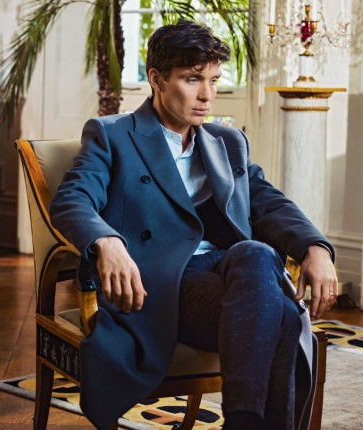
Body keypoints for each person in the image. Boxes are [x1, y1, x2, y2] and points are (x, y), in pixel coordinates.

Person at [49, 19, 338, 430]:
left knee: (256, 253)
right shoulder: (113, 135)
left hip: (232, 273)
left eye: (214, 80)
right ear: (157, 79)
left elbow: (269, 202)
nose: (207, 95)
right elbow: (72, 199)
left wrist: (315, 247)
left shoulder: (227, 142)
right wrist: (107, 242)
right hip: (160, 284)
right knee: (286, 317)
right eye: (192, 79)